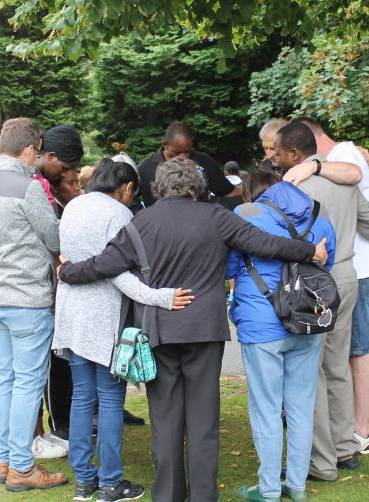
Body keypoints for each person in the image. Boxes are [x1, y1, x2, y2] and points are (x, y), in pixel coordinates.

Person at [58, 158, 327, 502]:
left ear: (159, 187)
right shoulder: (215, 217)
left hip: (161, 329)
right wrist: (310, 251)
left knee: (165, 419)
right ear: (197, 187)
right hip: (204, 329)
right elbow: (265, 243)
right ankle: (203, 495)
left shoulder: (142, 221)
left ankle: (168, 494)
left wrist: (68, 273)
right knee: (203, 421)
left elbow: (105, 264)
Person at [54, 158, 193, 502]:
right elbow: (118, 272)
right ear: (128, 188)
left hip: (71, 313)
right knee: (111, 399)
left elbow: (69, 259)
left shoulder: (73, 206)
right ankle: (110, 483)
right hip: (105, 317)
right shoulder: (119, 214)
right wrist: (161, 298)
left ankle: (85, 481)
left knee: (82, 397)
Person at [0, 117, 67, 492]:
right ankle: (21, 466)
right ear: (29, 150)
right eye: (37, 150)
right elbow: (53, 237)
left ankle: (5, 458)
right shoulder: (29, 188)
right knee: (27, 383)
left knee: (4, 377)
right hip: (27, 299)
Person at [271, 122, 369, 479]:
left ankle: (320, 461)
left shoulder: (293, 186)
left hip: (313, 280)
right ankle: (345, 447)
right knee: (337, 364)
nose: (273, 158)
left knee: (311, 370)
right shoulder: (344, 181)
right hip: (348, 275)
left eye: (277, 151)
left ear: (294, 154)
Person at [225, 170, 337, 502]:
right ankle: (298, 486)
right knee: (302, 407)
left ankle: (270, 489)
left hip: (262, 322)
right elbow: (324, 267)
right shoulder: (319, 216)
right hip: (306, 320)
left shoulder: (246, 215)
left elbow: (229, 268)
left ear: (250, 192)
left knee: (266, 409)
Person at [35, 124, 86, 457]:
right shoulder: (36, 191)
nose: (70, 177)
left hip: (51, 291)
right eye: (66, 170)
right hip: (38, 291)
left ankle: (62, 424)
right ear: (49, 157)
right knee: (44, 368)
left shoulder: (50, 188)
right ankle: (50, 428)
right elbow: (54, 242)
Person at [136, 121, 242, 206]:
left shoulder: (203, 161)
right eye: (177, 153)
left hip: (197, 226)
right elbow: (127, 196)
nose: (183, 157)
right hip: (159, 228)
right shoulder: (145, 168)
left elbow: (228, 191)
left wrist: (253, 195)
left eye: (187, 151)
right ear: (165, 145)